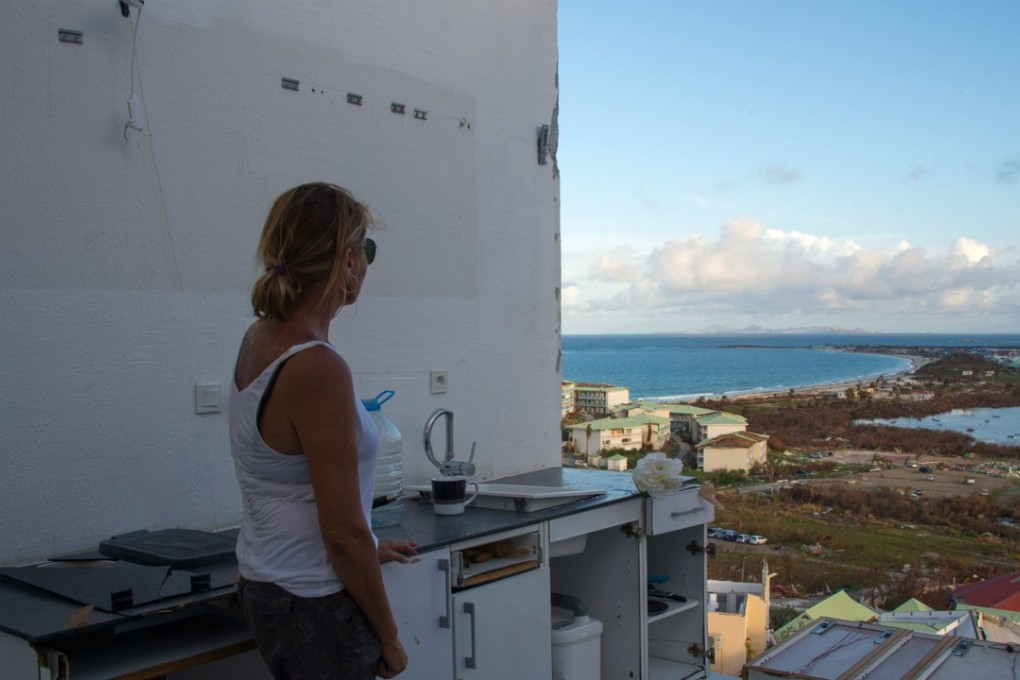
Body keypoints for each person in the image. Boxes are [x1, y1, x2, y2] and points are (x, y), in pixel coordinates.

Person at [230, 182, 416, 679]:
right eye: (366, 249)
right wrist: (390, 638)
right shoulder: (317, 367)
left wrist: (372, 544)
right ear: (347, 262)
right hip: (313, 601)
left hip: (270, 584)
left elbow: (286, 480)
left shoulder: (262, 337)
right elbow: (342, 534)